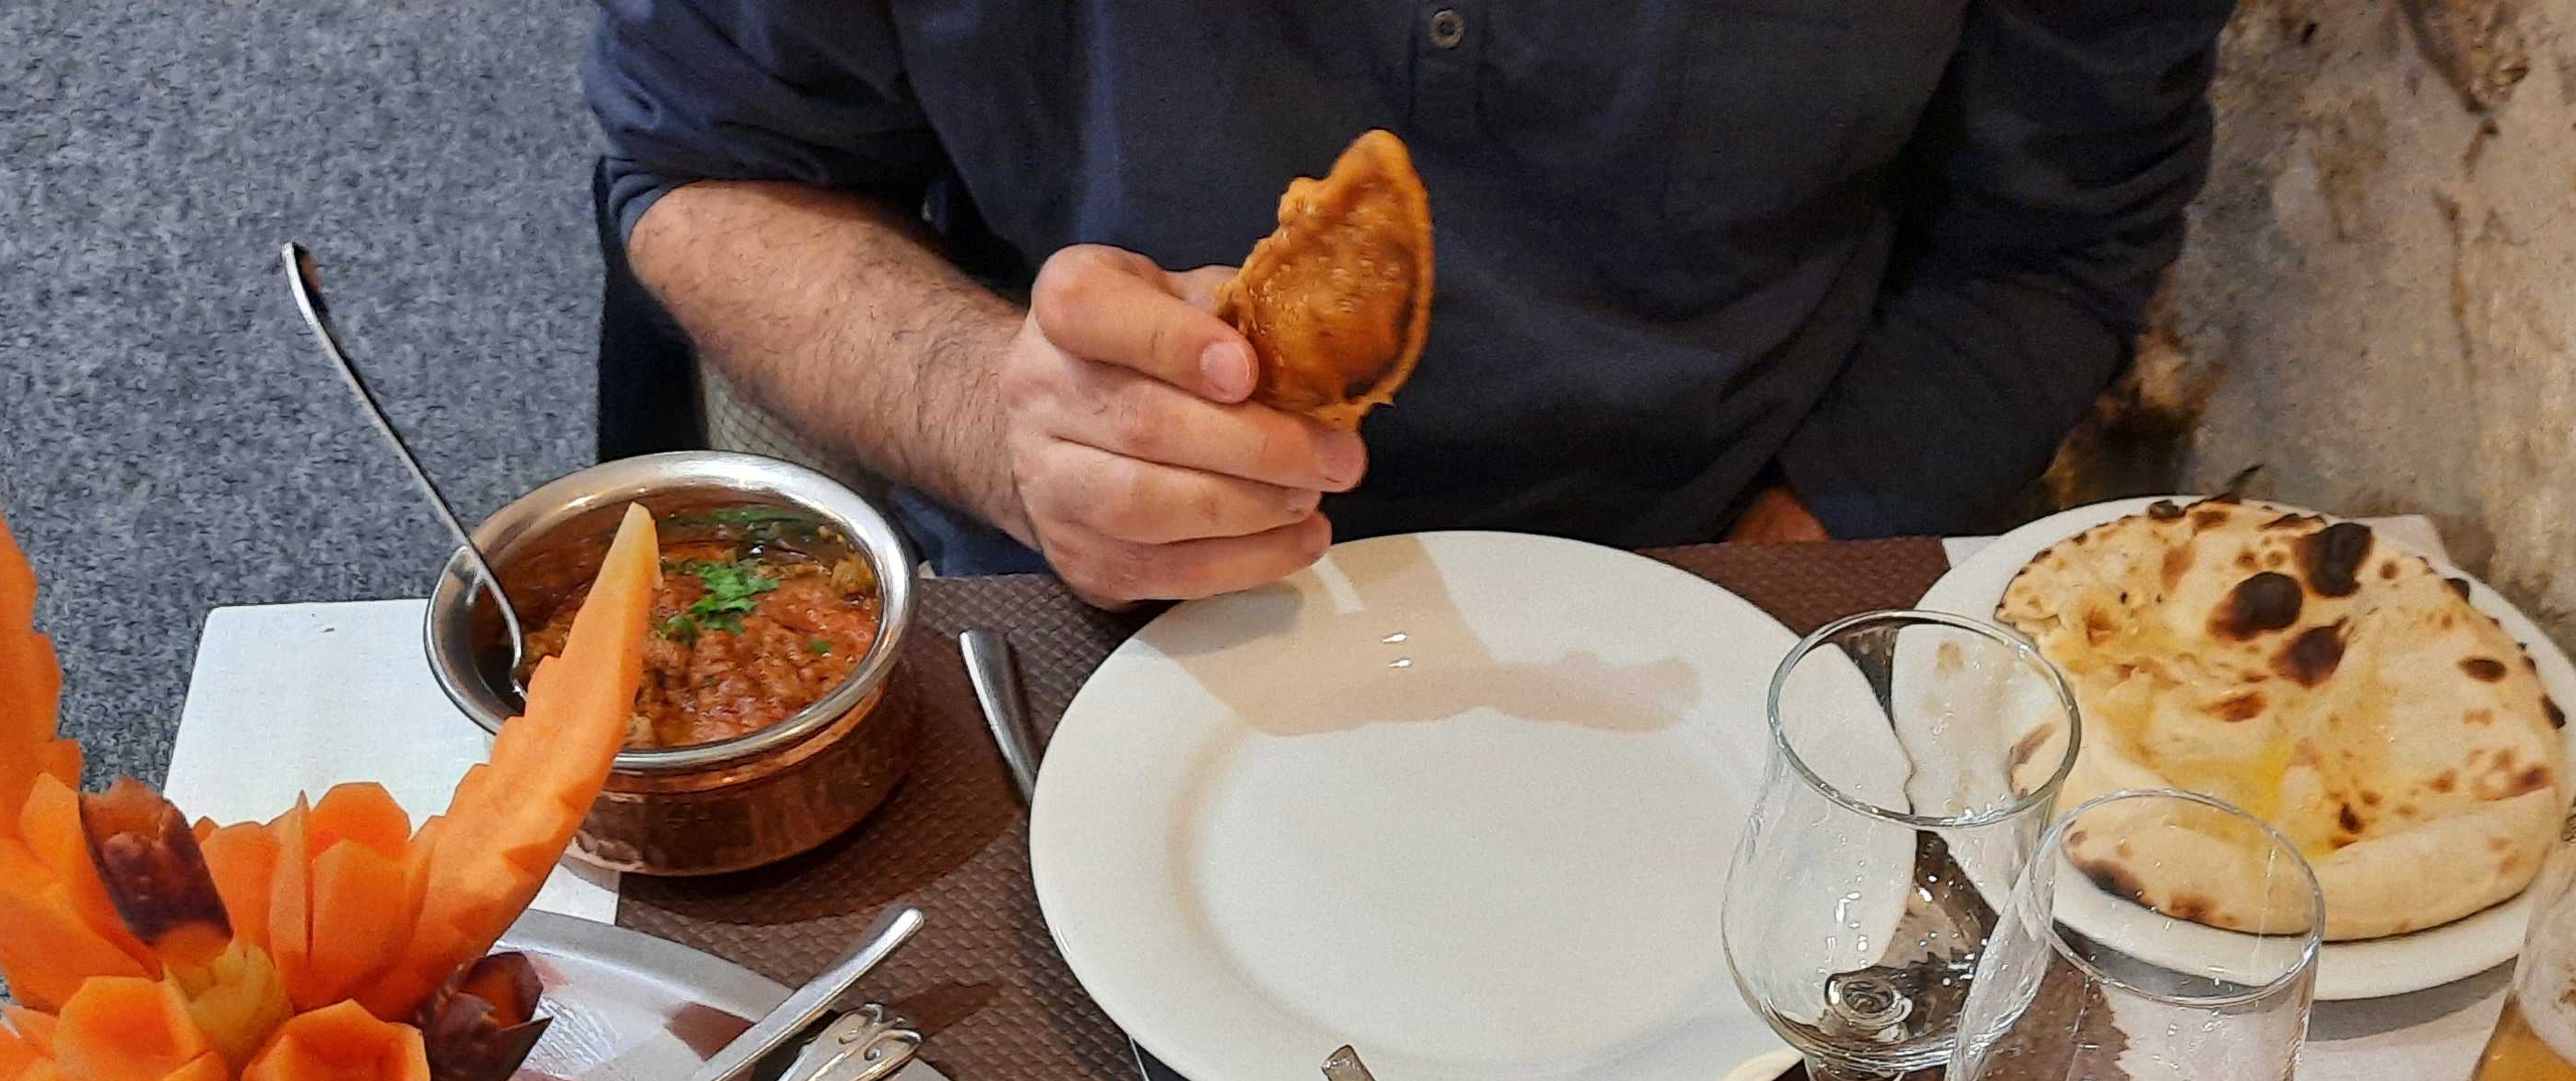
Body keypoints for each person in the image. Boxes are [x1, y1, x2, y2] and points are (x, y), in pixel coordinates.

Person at [589, 1, 2232, 607]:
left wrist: (1772, 570)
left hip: (1713, 589)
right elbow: (706, 172)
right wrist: (996, 424)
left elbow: (2058, 239)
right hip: (1073, 602)